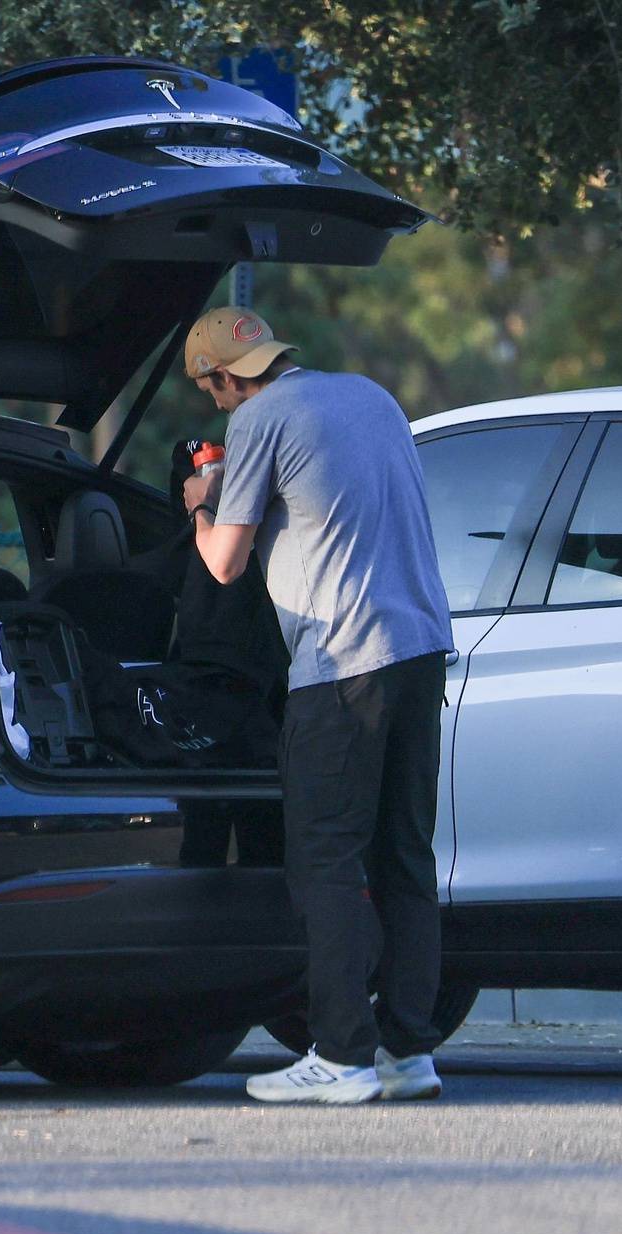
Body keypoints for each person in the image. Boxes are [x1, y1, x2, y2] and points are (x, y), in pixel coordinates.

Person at [179, 306, 453, 1105]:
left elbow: (224, 562)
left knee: (325, 857)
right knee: (404, 854)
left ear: (227, 377)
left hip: (340, 665)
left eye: (215, 394)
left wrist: (203, 496)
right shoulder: (371, 397)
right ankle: (410, 1051)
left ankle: (340, 1055)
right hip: (421, 647)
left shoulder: (261, 415)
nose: (222, 408)